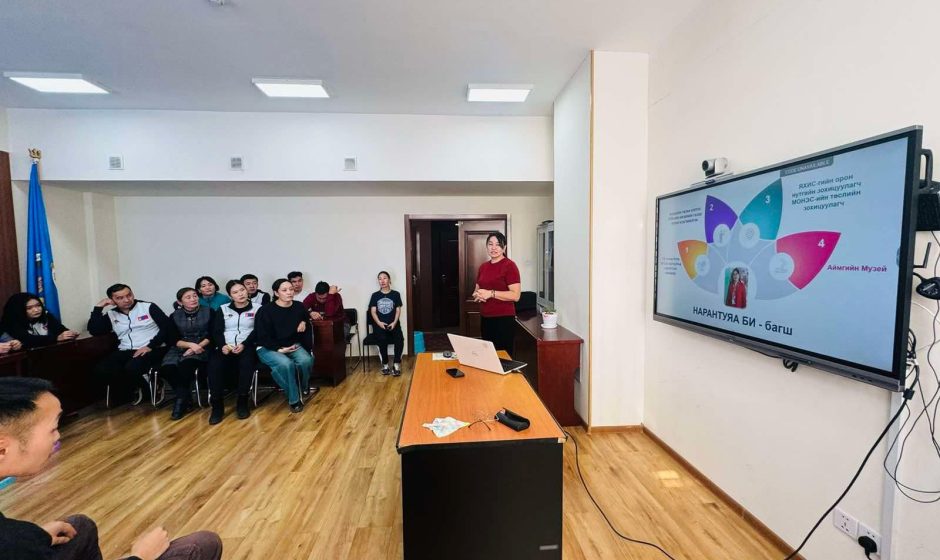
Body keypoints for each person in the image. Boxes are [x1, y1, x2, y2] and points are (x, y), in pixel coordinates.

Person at [0, 377, 223, 560]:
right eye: (53, 429)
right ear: (3, 449)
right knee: (201, 546)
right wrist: (140, 557)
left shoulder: (15, 539)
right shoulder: (12, 543)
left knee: (80, 527)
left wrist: (35, 537)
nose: (58, 437)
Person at [88, 284, 170, 404]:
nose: (126, 300)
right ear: (112, 300)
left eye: (129, 295)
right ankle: (136, 389)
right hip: (126, 349)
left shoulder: (148, 307)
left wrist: (150, 346)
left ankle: (151, 388)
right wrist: (98, 308)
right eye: (120, 298)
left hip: (152, 348)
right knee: (102, 369)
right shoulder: (111, 314)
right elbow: (95, 330)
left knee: (132, 367)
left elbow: (167, 328)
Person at [254, 279, 315, 413]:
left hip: (291, 345)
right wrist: (279, 349)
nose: (289, 292)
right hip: (268, 347)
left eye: (291, 289)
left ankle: (302, 386)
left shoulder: (299, 306)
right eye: (284, 290)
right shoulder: (265, 310)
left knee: (306, 360)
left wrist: (304, 322)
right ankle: (294, 399)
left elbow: (305, 318)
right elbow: (261, 335)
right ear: (276, 293)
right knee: (286, 364)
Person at [207, 280, 258, 424]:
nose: (240, 294)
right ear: (230, 296)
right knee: (214, 366)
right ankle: (217, 406)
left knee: (246, 364)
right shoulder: (223, 309)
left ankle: (242, 402)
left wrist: (244, 344)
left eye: (242, 290)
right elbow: (217, 331)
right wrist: (222, 345)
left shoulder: (257, 308)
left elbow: (258, 330)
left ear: (246, 291)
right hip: (226, 346)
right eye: (235, 292)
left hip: (247, 346)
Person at [160, 288, 216, 421]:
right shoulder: (174, 315)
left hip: (202, 346)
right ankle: (185, 396)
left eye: (195, 296)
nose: (193, 299)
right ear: (180, 302)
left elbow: (212, 334)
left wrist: (197, 346)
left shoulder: (209, 311)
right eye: (188, 297)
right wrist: (190, 345)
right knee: (167, 368)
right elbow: (172, 338)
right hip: (180, 346)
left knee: (186, 366)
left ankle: (180, 402)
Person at [472, 232, 521, 355]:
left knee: (503, 357)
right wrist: (477, 295)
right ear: (486, 247)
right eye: (490, 244)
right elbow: (477, 289)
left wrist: (491, 293)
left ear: (504, 248)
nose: (493, 248)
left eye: (498, 245)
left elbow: (516, 295)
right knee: (489, 355)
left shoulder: (510, 266)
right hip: (486, 318)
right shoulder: (483, 267)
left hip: (503, 319)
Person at [1, 293, 79, 350]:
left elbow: (61, 330)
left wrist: (70, 334)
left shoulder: (46, 316)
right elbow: (28, 340)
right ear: (19, 310)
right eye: (29, 308)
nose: (36, 310)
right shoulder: (11, 323)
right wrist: (55, 338)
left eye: (38, 305)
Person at [368, 271, 404, 376]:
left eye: (384, 278)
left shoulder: (396, 294)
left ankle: (396, 364)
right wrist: (379, 323)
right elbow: (373, 311)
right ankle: (385, 364)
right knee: (382, 340)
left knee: (399, 340)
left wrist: (394, 322)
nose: (382, 281)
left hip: (394, 324)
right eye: (380, 278)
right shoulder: (375, 295)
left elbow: (398, 310)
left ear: (389, 280)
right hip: (380, 325)